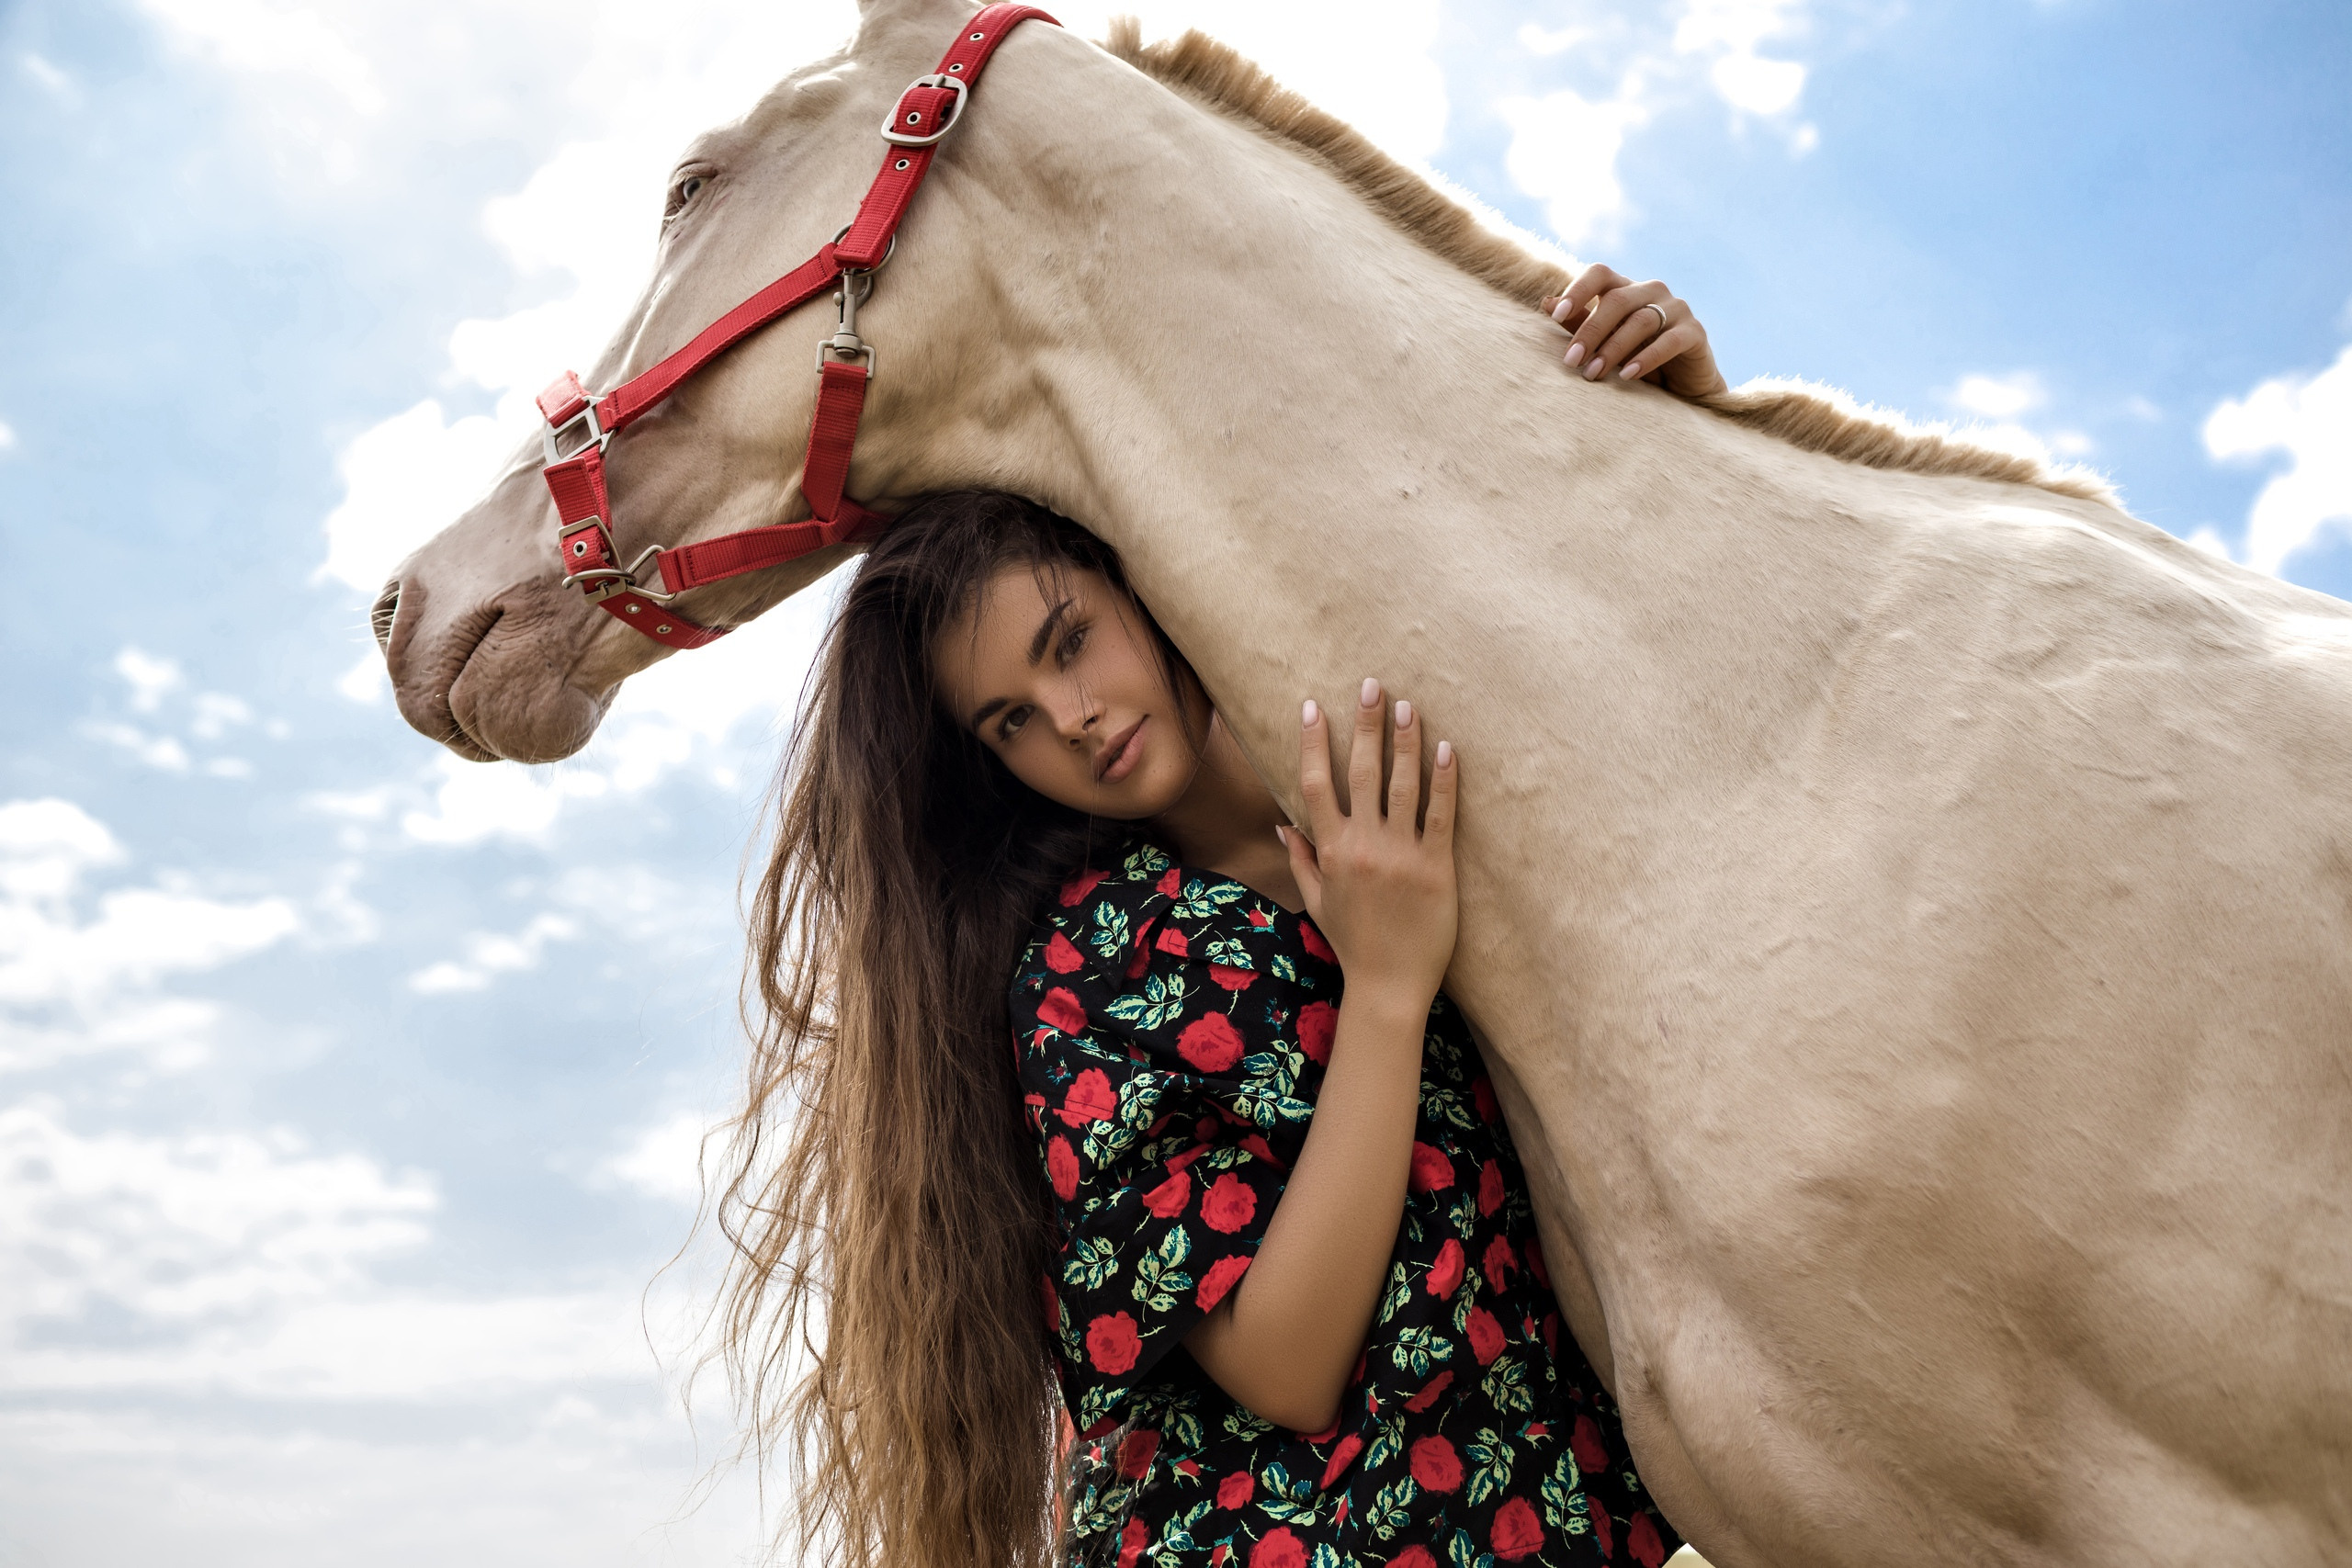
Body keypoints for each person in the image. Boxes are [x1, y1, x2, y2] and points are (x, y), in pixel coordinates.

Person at [715, 267, 1722, 1568]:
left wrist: (1677, 416)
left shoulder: (1396, 781)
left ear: (1144, 581)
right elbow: (1286, 1364)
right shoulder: (1093, 967)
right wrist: (1389, 989)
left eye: (1070, 640)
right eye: (1011, 719)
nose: (1070, 716)